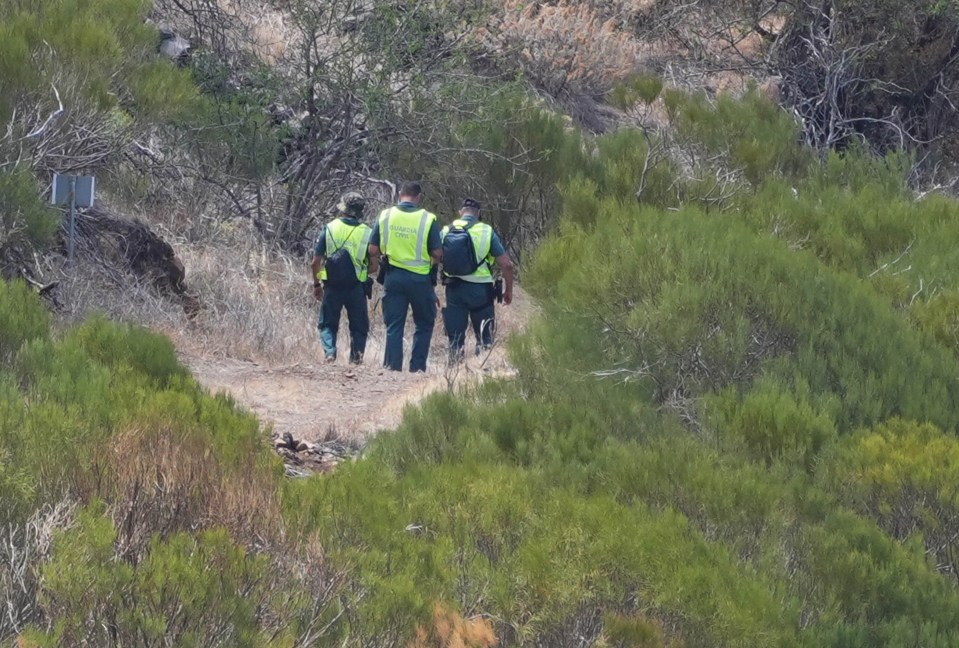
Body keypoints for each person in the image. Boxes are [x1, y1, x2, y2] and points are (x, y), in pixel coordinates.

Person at [367, 181, 443, 372]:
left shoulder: (386, 216)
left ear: (400, 195)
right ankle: (417, 369)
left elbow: (373, 249)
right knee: (424, 324)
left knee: (394, 325)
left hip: (393, 277)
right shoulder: (427, 219)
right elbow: (437, 253)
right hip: (420, 280)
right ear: (418, 197)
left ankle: (392, 368)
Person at [441, 198, 513, 362]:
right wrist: (508, 290)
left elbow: (436, 256)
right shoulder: (486, 231)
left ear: (460, 212)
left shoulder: (446, 230)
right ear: (478, 214)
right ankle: (483, 372)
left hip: (454, 289)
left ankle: (454, 373)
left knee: (455, 339)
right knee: (484, 337)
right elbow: (506, 265)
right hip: (480, 292)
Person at [310, 192, 378, 364]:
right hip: (356, 287)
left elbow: (315, 262)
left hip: (332, 285)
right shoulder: (367, 233)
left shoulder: (330, 228)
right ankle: (356, 360)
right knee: (359, 327)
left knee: (327, 324)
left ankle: (330, 353)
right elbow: (374, 266)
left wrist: (316, 284)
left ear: (343, 209)